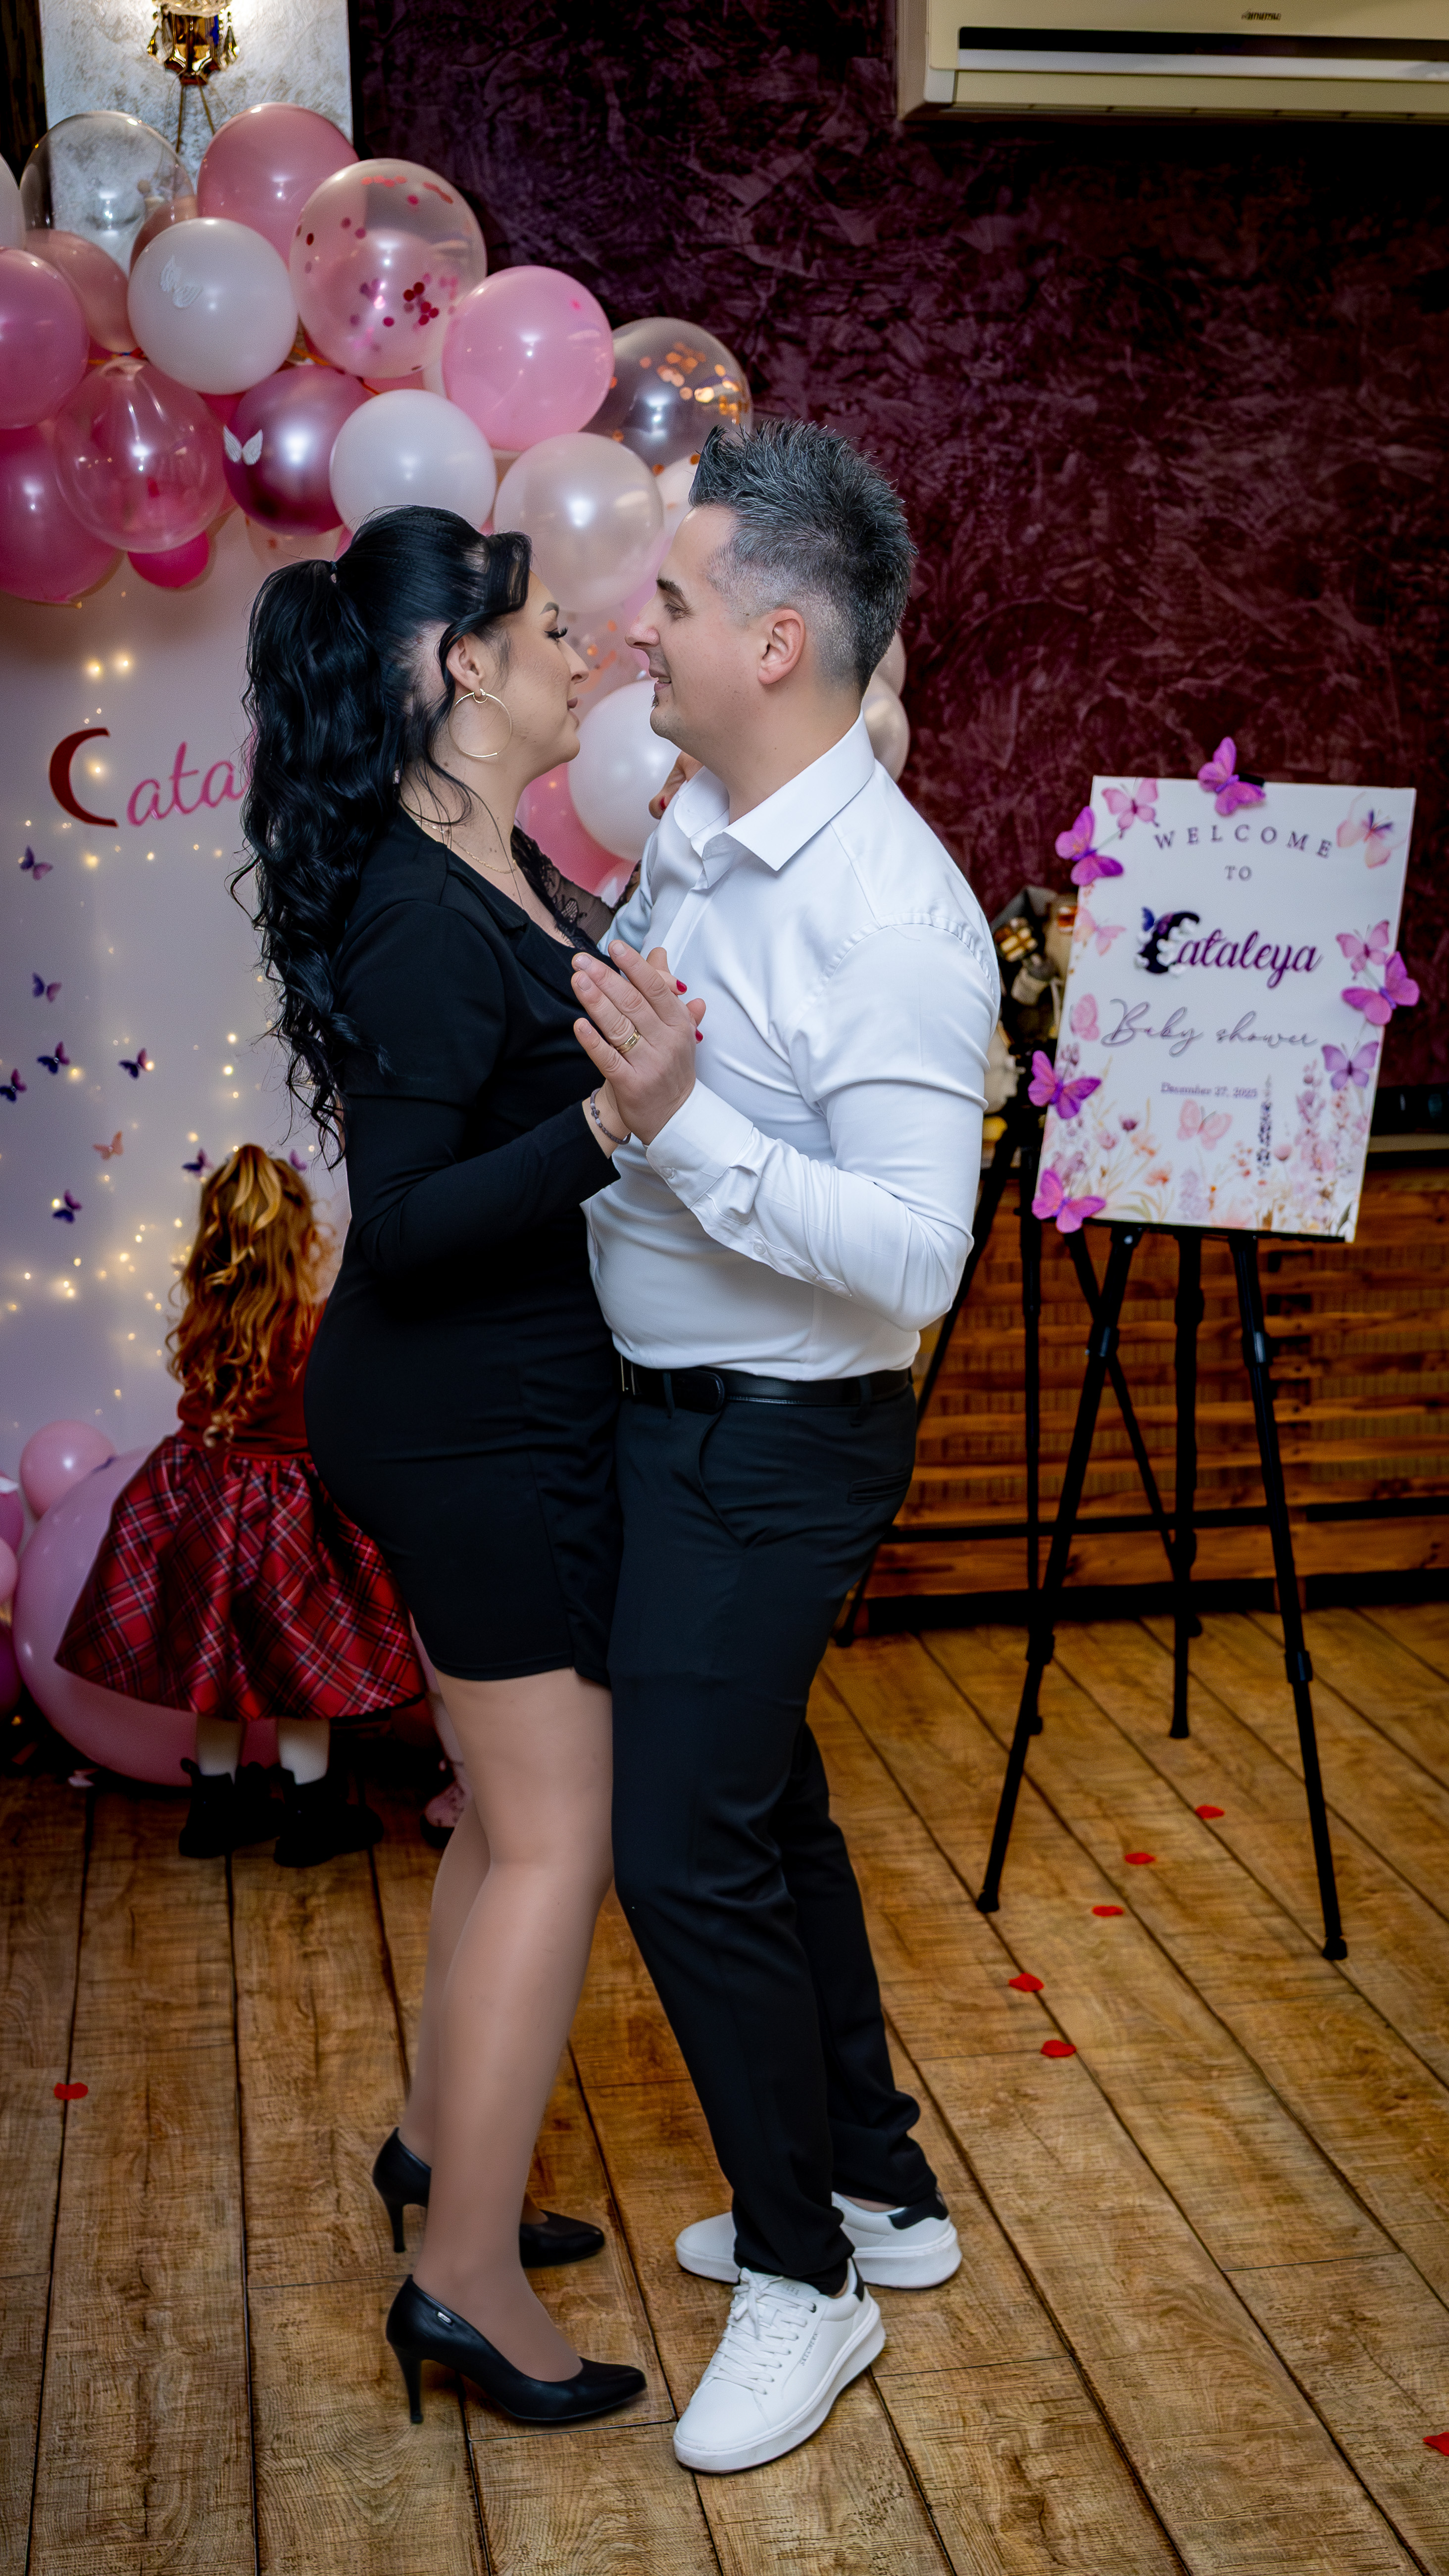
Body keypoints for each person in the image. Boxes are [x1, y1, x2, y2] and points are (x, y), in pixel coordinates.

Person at [570, 419, 999, 2475]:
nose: (631, 630)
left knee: (681, 1848)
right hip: (685, 1418)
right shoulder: (706, 823)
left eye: (667, 598)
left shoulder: (891, 916)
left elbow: (916, 1257)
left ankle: (806, 2275)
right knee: (768, 1813)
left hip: (775, 1439)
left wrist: (684, 1123)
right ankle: (877, 2182)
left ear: (775, 640)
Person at [239, 507, 676, 2431]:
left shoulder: (491, 857)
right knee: (558, 1832)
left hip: (494, 1399)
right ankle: (463, 2279)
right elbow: (405, 1225)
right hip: (465, 1413)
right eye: (553, 631)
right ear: (462, 667)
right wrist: (616, 1120)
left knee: (509, 1818)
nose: (589, 656)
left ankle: (442, 2146)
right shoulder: (422, 909)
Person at [57, 1144, 423, 1865]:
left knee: (215, 1673)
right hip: (287, 1526)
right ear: (299, 1237)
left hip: (200, 1509)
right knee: (299, 1676)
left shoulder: (206, 1315)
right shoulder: (316, 1324)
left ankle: (214, 1811)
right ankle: (312, 1816)